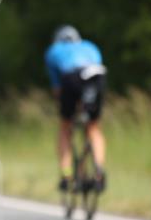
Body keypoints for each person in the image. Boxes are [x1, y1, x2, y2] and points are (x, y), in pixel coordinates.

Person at [44, 25, 107, 192]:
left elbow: (58, 89)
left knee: (65, 127)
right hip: (96, 76)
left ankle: (66, 175)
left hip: (71, 77)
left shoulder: (53, 50)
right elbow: (92, 72)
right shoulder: (90, 45)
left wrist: (65, 108)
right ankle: (99, 171)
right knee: (93, 127)